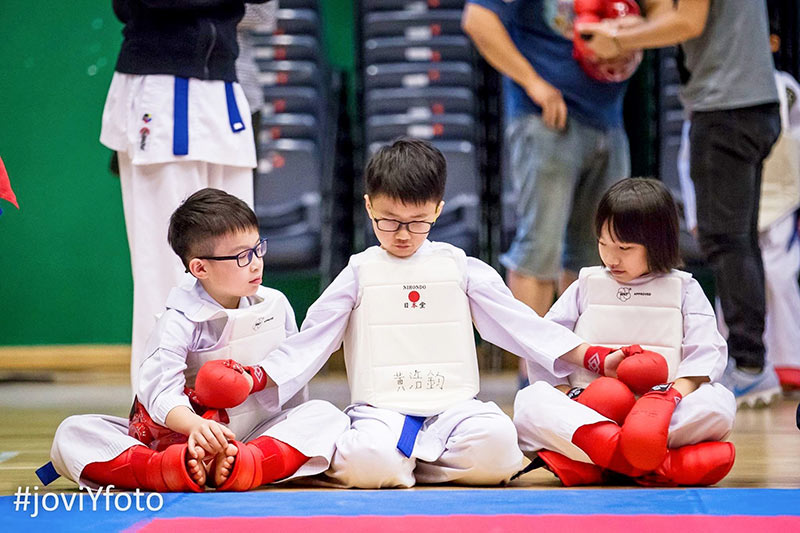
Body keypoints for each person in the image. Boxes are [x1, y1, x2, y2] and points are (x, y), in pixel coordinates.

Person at [203, 138, 649, 488]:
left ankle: (409, 465)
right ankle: (393, 460)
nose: (402, 234)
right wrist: (257, 377)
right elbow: (312, 339)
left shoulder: (459, 266)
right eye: (389, 220)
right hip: (383, 409)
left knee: (497, 445)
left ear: (438, 209)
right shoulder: (359, 271)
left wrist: (593, 356)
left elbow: (521, 325)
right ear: (368, 207)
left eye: (417, 221)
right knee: (367, 462)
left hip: (454, 406)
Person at [39, 189, 349, 492]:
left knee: (327, 416)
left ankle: (248, 464)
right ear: (199, 268)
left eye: (258, 248)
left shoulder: (275, 303)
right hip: (181, 441)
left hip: (252, 436)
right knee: (72, 433)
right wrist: (195, 428)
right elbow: (159, 393)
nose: (256, 263)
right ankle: (165, 470)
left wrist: (277, 415)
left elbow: (292, 377)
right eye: (243, 256)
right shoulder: (178, 321)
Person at [578, 0, 782, 406]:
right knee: (740, 238)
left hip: (724, 105)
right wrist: (639, 23)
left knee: (725, 239)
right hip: (754, 101)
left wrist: (618, 37)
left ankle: (750, 364)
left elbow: (688, 20)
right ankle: (754, 363)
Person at [514, 178, 737, 487]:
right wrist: (571, 395)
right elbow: (546, 342)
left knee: (719, 405)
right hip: (591, 410)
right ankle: (654, 464)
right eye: (603, 244)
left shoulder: (685, 289)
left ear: (658, 244)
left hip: (663, 411)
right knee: (529, 403)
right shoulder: (585, 286)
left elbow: (706, 354)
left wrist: (668, 397)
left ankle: (602, 462)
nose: (611, 258)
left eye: (624, 248)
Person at [101, 0, 267, 393]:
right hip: (159, 85)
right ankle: (160, 409)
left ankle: (235, 403)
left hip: (225, 87)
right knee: (164, 270)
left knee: (240, 261)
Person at [461, 0, 634, 321]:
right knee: (540, 248)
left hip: (608, 120)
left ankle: (577, 363)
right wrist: (533, 83)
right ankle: (531, 369)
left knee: (596, 256)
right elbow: (478, 19)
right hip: (546, 121)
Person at [675, 20, 800, 403]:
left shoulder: (788, 89)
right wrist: (695, 214)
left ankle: (777, 362)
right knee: (731, 256)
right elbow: (687, 158)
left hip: (780, 196)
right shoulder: (720, 91)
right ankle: (739, 359)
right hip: (742, 180)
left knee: (769, 268)